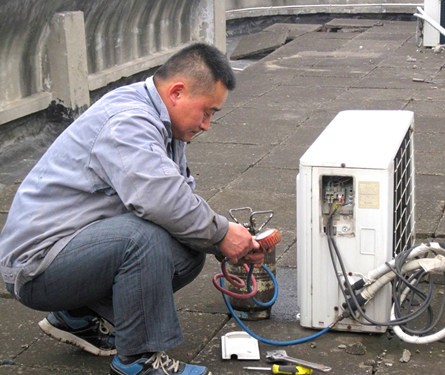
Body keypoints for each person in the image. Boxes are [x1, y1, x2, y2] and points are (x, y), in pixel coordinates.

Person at [0, 43, 267, 375]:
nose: (207, 124)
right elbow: (159, 200)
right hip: (35, 266)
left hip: (70, 247)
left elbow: (182, 199)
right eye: (208, 111)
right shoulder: (128, 121)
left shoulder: (163, 125)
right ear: (177, 93)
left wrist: (221, 242)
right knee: (143, 238)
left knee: (188, 248)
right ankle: (138, 360)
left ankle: (76, 316)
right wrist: (223, 233)